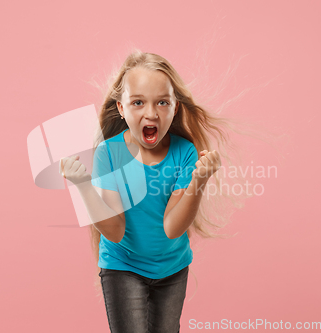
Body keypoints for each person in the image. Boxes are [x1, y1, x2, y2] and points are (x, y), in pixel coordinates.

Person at [60, 50, 260, 333]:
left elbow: (172, 227)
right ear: (121, 108)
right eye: (138, 102)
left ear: (175, 108)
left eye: (162, 102)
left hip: (172, 270)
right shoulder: (110, 153)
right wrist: (83, 186)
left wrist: (198, 182)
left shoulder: (184, 153)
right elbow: (115, 231)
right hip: (123, 267)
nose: (151, 113)